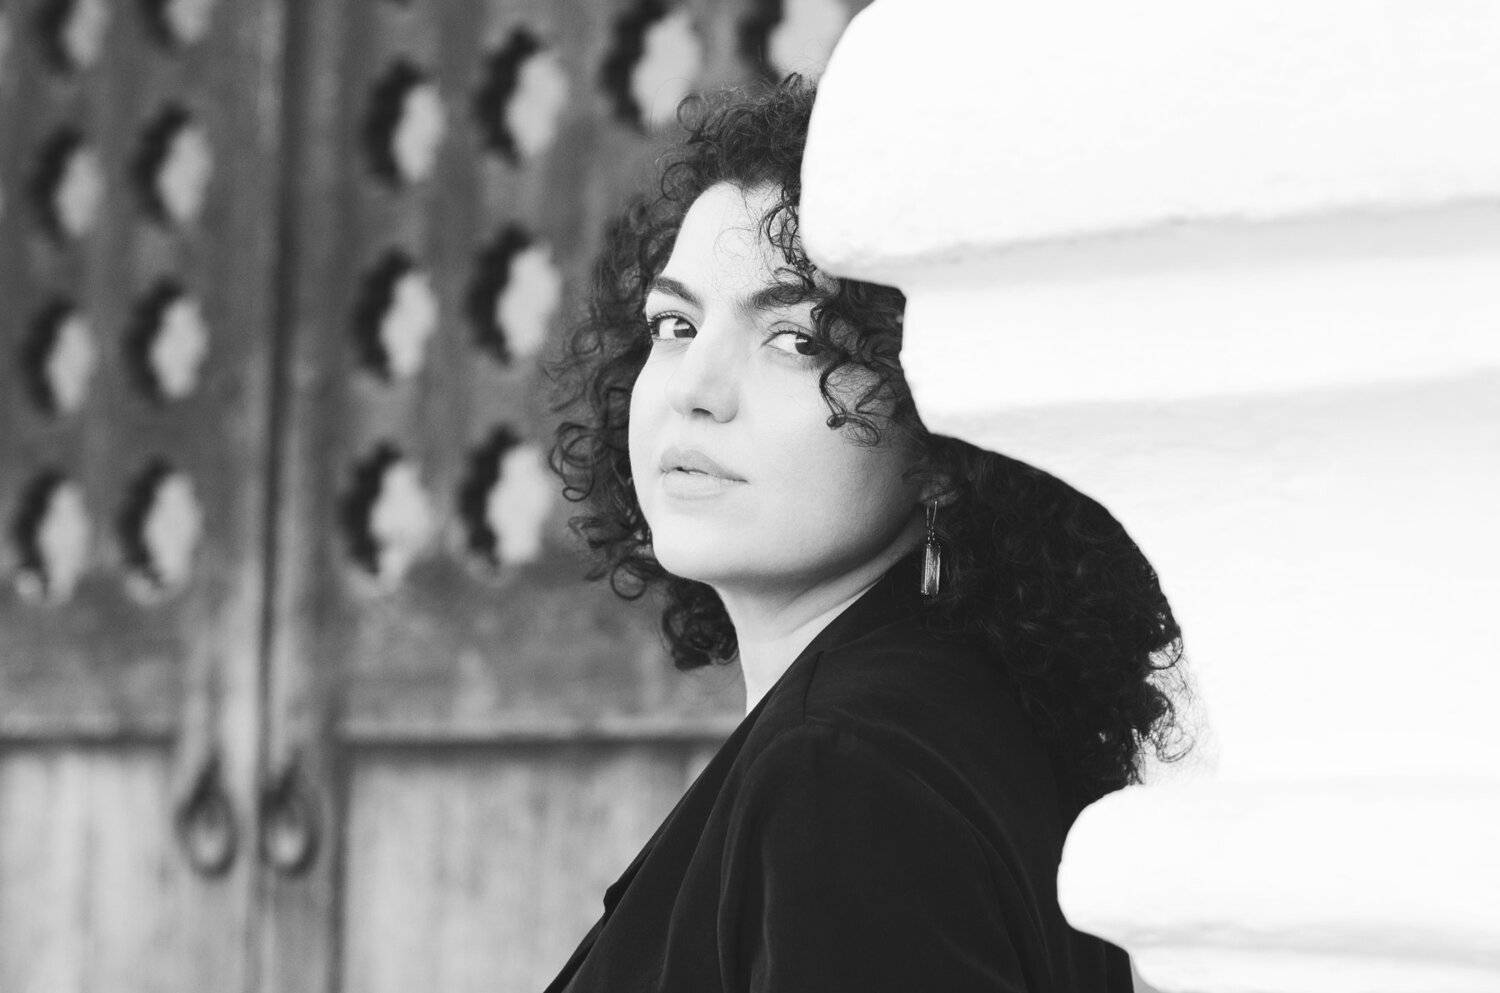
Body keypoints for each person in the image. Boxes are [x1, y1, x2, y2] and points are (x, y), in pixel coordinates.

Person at [543, 75, 1190, 993]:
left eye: (798, 339)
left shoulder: (844, 767)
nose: (695, 386)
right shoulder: (942, 715)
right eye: (675, 324)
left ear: (943, 427)